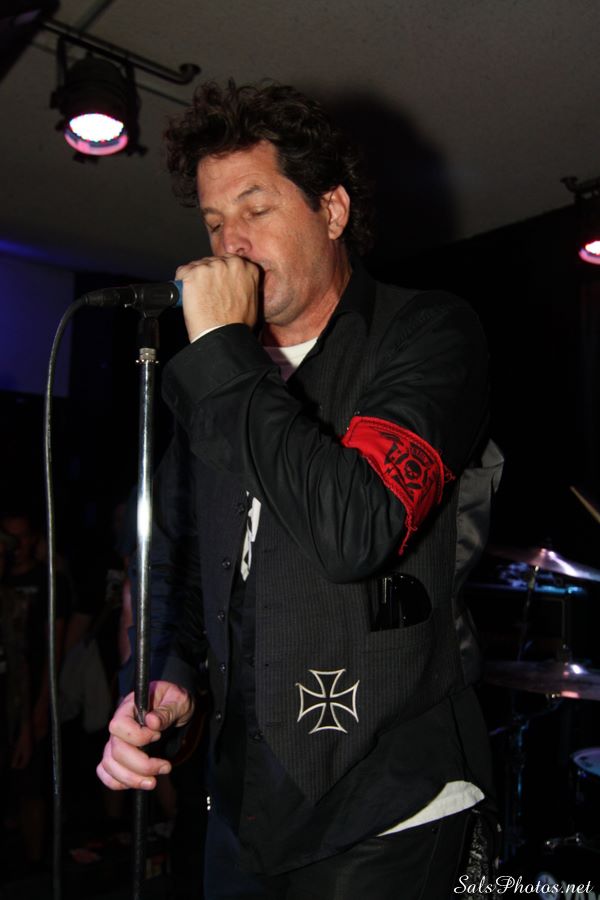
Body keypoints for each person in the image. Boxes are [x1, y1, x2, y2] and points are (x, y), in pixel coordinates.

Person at [97, 80, 503, 899]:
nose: (231, 243)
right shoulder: (214, 383)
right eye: (214, 222)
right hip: (245, 802)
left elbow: (358, 528)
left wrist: (222, 353)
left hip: (384, 804)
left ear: (333, 209)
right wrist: (165, 675)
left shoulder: (426, 333)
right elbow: (175, 559)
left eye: (256, 209)